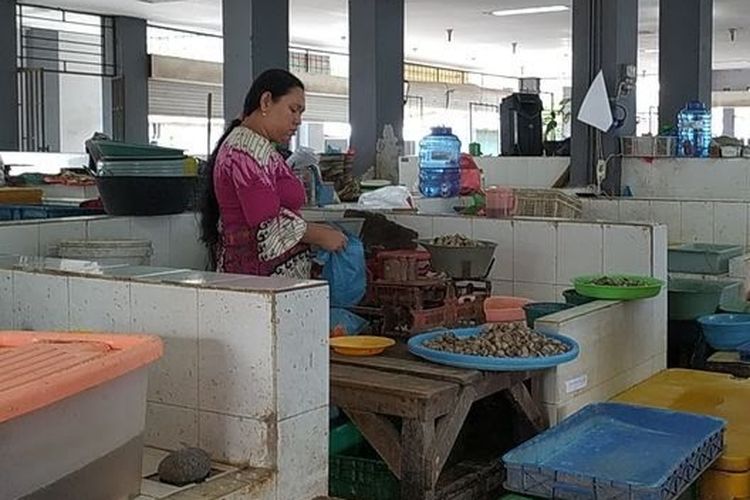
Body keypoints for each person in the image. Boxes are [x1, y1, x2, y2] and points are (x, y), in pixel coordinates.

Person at [200, 69, 347, 278]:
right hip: (256, 283)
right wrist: (320, 235)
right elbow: (266, 225)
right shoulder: (244, 149)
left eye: (301, 113)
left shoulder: (262, 148)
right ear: (266, 101)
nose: (298, 121)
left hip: (274, 283)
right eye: (293, 110)